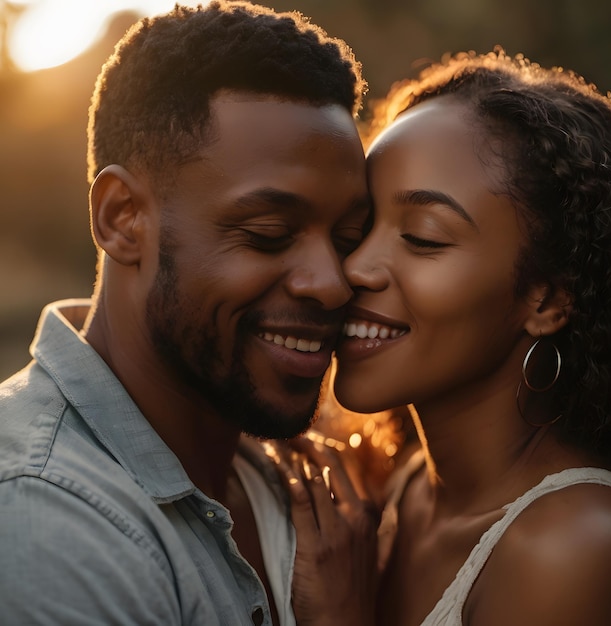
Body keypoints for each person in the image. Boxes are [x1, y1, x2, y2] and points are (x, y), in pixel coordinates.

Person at [0, 2, 377, 624]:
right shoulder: (41, 522)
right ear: (123, 218)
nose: (332, 285)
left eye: (348, 236)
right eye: (269, 232)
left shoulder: (293, 482)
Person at [280, 48, 611, 625]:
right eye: (359, 227)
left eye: (422, 237)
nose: (357, 267)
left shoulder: (576, 547)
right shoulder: (403, 484)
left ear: (547, 300)